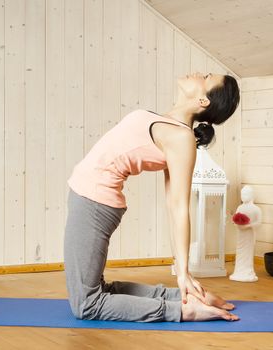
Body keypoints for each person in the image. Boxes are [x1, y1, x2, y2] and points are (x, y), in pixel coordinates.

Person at [64, 72, 241, 322]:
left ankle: (182, 310)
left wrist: (183, 271)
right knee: (96, 290)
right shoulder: (168, 123)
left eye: (206, 77)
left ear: (203, 101)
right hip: (88, 197)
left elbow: (177, 205)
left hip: (94, 202)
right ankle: (185, 298)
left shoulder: (181, 139)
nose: (198, 73)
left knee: (86, 304)